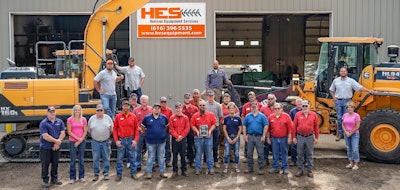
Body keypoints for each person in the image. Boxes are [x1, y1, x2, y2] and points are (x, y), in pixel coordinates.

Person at [329, 67, 373, 141]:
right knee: (340, 118)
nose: (343, 72)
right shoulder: (336, 81)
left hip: (347, 101)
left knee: (347, 118)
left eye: (344, 71)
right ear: (339, 72)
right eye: (341, 71)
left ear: (346, 72)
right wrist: (334, 97)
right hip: (338, 101)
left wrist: (369, 91)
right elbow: (331, 90)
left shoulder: (351, 81)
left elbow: (359, 87)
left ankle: (347, 133)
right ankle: (340, 134)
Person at [113, 100, 139, 181]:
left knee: (132, 157)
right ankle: (119, 174)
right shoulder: (118, 116)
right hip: (122, 140)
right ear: (122, 106)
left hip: (131, 139)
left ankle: (133, 173)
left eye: (127, 106)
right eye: (124, 106)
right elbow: (114, 129)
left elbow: (136, 129)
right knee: (119, 158)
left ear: (129, 107)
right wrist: (116, 140)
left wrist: (135, 140)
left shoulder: (133, 116)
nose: (126, 107)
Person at [39, 106, 66, 188]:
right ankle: (45, 180)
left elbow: (63, 133)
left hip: (56, 146)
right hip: (46, 147)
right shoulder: (43, 123)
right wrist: (56, 141)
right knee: (45, 164)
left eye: (53, 112)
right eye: (50, 112)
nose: (52, 113)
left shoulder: (59, 121)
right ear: (47, 113)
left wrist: (58, 143)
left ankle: (54, 179)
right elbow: (45, 136)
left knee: (55, 163)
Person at [142, 103, 169, 179]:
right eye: (155, 108)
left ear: (160, 110)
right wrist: (147, 134)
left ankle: (162, 172)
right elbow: (143, 127)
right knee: (150, 157)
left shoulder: (164, 118)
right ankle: (149, 172)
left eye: (158, 108)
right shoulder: (147, 118)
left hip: (161, 142)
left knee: (161, 157)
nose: (157, 109)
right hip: (150, 142)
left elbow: (167, 127)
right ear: (152, 109)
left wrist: (162, 134)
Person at [293, 100, 319, 178]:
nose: (304, 107)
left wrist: (316, 137)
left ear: (309, 106)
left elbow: (316, 127)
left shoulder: (314, 115)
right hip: (300, 137)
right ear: (301, 107)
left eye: (306, 106)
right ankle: (300, 170)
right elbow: (294, 127)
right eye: (303, 106)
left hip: (310, 137)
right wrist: (294, 137)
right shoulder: (297, 115)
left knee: (310, 154)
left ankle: (310, 170)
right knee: (300, 154)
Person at [88, 104, 113, 181]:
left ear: (103, 111)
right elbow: (89, 129)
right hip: (95, 141)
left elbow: (112, 129)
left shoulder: (108, 118)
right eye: (98, 110)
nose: (99, 112)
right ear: (96, 111)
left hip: (105, 141)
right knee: (96, 158)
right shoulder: (92, 119)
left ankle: (106, 173)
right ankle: (96, 174)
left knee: (106, 158)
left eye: (101, 110)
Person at [191, 100, 217, 175]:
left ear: (206, 106)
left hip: (208, 137)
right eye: (200, 105)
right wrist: (197, 131)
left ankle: (210, 168)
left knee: (209, 153)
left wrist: (209, 131)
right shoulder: (195, 116)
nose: (202, 107)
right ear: (198, 106)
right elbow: (192, 125)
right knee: (198, 153)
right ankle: (198, 168)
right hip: (198, 137)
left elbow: (214, 124)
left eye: (203, 105)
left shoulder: (211, 115)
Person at [242, 102, 269, 175]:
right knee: (249, 153)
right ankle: (250, 167)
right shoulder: (247, 116)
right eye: (252, 107)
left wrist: (263, 136)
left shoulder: (262, 116)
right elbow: (244, 126)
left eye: (255, 107)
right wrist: (244, 135)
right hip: (250, 136)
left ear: (258, 107)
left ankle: (261, 168)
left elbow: (266, 126)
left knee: (260, 153)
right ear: (251, 107)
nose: (254, 108)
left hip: (259, 137)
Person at [267, 103, 292, 175]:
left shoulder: (286, 116)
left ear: (281, 109)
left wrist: (289, 138)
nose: (277, 110)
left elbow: (290, 128)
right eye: (275, 108)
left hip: (283, 138)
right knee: (275, 153)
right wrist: (268, 138)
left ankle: (285, 168)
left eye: (278, 108)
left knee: (284, 153)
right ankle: (275, 168)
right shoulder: (270, 117)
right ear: (273, 109)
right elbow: (268, 129)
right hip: (274, 138)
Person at [67, 105, 87, 184]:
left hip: (81, 141)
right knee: (73, 160)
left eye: (78, 110)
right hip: (72, 141)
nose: (77, 112)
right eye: (76, 110)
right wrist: (78, 139)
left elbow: (85, 131)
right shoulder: (70, 120)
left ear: (80, 111)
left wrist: (80, 140)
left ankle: (81, 177)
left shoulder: (84, 119)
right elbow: (69, 132)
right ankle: (72, 178)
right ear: (73, 111)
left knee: (81, 159)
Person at [169, 102, 190, 177]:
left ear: (182, 109)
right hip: (175, 140)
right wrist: (177, 136)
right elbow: (171, 129)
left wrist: (181, 136)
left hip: (183, 139)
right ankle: (175, 171)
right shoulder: (172, 117)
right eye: (177, 108)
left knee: (183, 155)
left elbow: (187, 128)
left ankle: (184, 170)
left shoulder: (185, 118)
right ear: (175, 109)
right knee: (174, 155)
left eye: (180, 108)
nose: (178, 110)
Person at [133, 95, 152, 171]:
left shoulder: (151, 110)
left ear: (148, 101)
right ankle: (138, 164)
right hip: (139, 132)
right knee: (138, 149)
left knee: (150, 149)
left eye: (145, 100)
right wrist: (139, 128)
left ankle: (150, 165)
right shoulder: (136, 110)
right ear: (140, 101)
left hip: (149, 132)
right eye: (142, 100)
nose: (144, 101)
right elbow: (134, 121)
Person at [241, 91, 262, 162]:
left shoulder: (259, 105)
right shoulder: (245, 106)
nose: (251, 98)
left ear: (255, 96)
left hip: (257, 126)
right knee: (247, 142)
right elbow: (243, 115)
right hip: (248, 127)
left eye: (252, 96)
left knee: (259, 143)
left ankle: (261, 158)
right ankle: (246, 156)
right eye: (249, 97)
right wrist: (244, 125)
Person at [204, 90, 223, 168]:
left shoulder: (218, 105)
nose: (210, 97)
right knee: (206, 144)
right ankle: (205, 161)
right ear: (207, 96)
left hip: (216, 127)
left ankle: (215, 161)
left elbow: (220, 117)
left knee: (215, 144)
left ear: (214, 96)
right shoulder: (204, 105)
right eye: (209, 96)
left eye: (212, 96)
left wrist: (218, 125)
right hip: (206, 127)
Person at [222, 102, 242, 173]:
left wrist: (237, 137)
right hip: (228, 137)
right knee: (227, 152)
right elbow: (224, 128)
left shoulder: (238, 118)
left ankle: (236, 166)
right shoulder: (226, 118)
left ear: (235, 109)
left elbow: (240, 128)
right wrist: (227, 138)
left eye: (232, 108)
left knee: (236, 152)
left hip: (236, 137)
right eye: (230, 108)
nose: (231, 110)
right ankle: (226, 167)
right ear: (228, 109)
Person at [342, 101, 361, 170]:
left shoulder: (356, 116)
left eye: (351, 107)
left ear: (353, 108)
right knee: (348, 148)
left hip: (354, 134)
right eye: (348, 107)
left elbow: (357, 126)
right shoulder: (344, 115)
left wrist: (351, 133)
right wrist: (345, 132)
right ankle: (350, 163)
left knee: (355, 148)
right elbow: (343, 124)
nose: (349, 109)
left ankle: (356, 163)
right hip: (346, 133)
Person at [182, 92, 199, 168]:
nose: (187, 99)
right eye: (186, 98)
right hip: (183, 129)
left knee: (191, 145)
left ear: (190, 99)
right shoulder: (181, 108)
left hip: (192, 129)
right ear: (184, 99)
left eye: (188, 98)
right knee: (183, 146)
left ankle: (191, 160)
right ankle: (184, 161)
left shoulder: (195, 108)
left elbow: (198, 118)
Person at [260, 93, 277, 165]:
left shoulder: (278, 108)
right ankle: (265, 159)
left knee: (275, 147)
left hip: (275, 130)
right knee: (265, 146)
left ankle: (275, 161)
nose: (270, 100)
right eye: (268, 99)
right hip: (265, 131)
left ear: (275, 99)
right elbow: (259, 119)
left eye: (271, 99)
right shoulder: (263, 108)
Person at [289, 98, 304, 166]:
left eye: (300, 103)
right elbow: (290, 121)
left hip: (302, 132)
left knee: (303, 147)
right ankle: (293, 160)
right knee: (293, 147)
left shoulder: (304, 111)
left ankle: (303, 161)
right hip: (295, 132)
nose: (299, 104)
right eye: (298, 103)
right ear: (295, 104)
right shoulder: (292, 111)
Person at [160, 96, 173, 167]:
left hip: (167, 131)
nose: (163, 104)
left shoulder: (169, 110)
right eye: (162, 102)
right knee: (158, 146)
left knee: (167, 146)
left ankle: (168, 160)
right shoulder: (158, 110)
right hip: (159, 132)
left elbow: (171, 121)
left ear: (166, 103)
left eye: (164, 102)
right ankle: (157, 161)